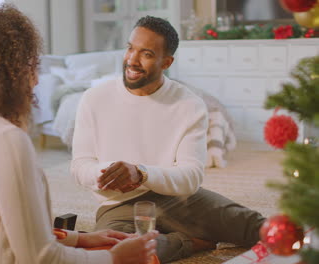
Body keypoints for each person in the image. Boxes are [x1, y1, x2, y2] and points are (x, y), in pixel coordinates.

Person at [0, 4, 159, 264]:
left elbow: (8, 228)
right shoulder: (4, 140)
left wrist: (79, 238)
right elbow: (39, 258)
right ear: (7, 71)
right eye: (32, 65)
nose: (36, 80)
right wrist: (113, 258)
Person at [71, 16, 266, 263]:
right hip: (117, 206)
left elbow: (192, 176)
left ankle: (173, 237)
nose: (132, 59)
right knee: (113, 254)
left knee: (261, 228)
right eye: (130, 47)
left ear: (167, 62)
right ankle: (188, 242)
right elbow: (79, 166)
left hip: (178, 199)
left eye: (147, 54)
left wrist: (141, 173)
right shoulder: (93, 99)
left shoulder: (189, 104)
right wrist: (107, 174)